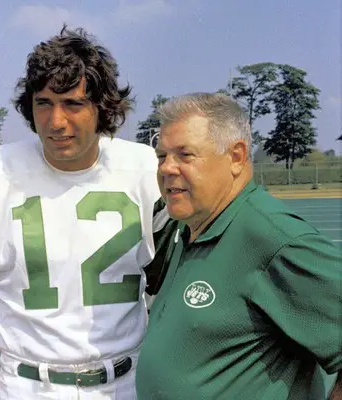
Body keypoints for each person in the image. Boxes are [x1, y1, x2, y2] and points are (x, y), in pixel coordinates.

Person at [0, 26, 174, 399]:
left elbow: (171, 307)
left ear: (103, 108)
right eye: (44, 103)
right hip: (27, 386)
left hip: (127, 384)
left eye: (73, 104)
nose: (56, 122)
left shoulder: (148, 173)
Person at [137, 92, 342, 399]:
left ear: (235, 157)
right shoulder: (187, 229)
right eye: (162, 156)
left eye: (185, 155)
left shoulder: (275, 239)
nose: (167, 168)